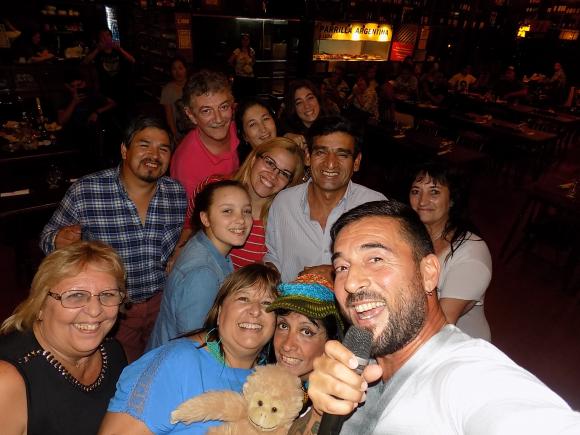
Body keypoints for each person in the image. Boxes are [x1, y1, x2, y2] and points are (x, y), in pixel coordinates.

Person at [293, 200, 580, 435]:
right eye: (342, 267)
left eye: (376, 259)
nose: (352, 282)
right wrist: (321, 409)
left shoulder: (466, 376)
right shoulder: (357, 365)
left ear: (429, 273)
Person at [39, 116, 187, 362]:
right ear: (124, 150)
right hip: (111, 309)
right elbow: (47, 236)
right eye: (144, 145)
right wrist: (57, 240)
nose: (154, 155)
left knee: (159, 366)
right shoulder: (87, 190)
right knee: (118, 369)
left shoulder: (176, 193)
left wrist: (180, 247)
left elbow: (182, 235)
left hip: (162, 305)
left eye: (163, 149)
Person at [99, 263, 279, 434]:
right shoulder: (179, 362)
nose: (255, 310)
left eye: (267, 303)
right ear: (219, 312)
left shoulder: (272, 382)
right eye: (243, 299)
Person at [0, 241, 128, 435]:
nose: (95, 311)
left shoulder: (112, 351)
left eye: (108, 295)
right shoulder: (7, 381)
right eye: (75, 296)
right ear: (40, 306)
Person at [265, 116, 386, 282]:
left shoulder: (375, 207)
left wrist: (334, 273)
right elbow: (273, 256)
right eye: (321, 152)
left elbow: (385, 265)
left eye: (342, 155)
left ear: (356, 162)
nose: (330, 164)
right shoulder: (284, 203)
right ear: (308, 156)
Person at [148, 180, 253, 349]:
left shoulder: (206, 245)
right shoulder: (202, 274)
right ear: (205, 218)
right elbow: (196, 344)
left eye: (246, 211)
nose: (241, 219)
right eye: (227, 211)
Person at [172, 137, 304, 272]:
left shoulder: (278, 225)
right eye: (270, 163)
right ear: (254, 159)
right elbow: (189, 224)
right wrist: (178, 255)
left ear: (289, 184)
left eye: (284, 173)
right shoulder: (213, 186)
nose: (273, 175)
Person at [409, 162, 492, 341]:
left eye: (434, 192)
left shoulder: (471, 256)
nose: (422, 201)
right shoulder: (408, 236)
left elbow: (440, 327)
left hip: (454, 348)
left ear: (452, 199)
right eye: (416, 191)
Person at [170, 69, 239, 200]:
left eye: (223, 107)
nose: (218, 119)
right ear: (191, 115)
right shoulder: (187, 166)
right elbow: (191, 213)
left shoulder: (240, 130)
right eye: (206, 111)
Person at [268, 273, 344, 384]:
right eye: (283, 326)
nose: (287, 346)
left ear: (332, 341)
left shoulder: (339, 391)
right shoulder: (257, 381)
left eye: (306, 332)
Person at [83, 28, 135, 106]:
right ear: (99, 39)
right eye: (102, 37)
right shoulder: (97, 51)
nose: (106, 38)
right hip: (105, 88)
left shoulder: (117, 50)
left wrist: (120, 49)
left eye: (107, 35)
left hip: (121, 86)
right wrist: (97, 49)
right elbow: (85, 62)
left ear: (111, 37)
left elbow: (132, 60)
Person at [281, 79, 328, 150]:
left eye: (310, 98)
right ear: (294, 108)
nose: (306, 106)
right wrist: (285, 136)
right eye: (299, 102)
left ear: (318, 99)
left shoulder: (333, 124)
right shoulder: (287, 129)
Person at [235, 98, 278, 163]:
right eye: (252, 124)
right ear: (244, 136)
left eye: (265, 119)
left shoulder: (291, 154)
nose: (263, 129)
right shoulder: (247, 168)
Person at [160, 56, 190, 142]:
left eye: (180, 68)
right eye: (174, 69)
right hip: (180, 133)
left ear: (186, 69)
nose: (178, 72)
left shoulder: (194, 86)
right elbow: (169, 117)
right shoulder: (167, 89)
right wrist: (175, 135)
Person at [228, 33, 256, 100]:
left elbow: (254, 61)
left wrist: (249, 66)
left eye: (247, 40)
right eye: (244, 39)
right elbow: (230, 61)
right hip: (240, 77)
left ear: (249, 41)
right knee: (240, 96)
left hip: (249, 77)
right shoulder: (237, 50)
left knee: (249, 96)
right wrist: (236, 67)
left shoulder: (251, 51)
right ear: (241, 41)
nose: (245, 41)